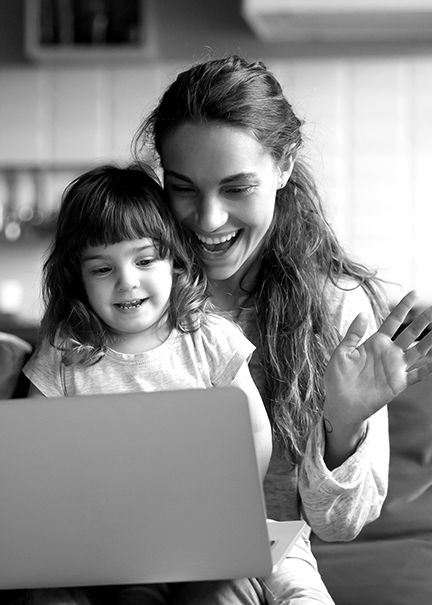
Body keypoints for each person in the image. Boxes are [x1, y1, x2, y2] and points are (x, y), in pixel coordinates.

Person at [129, 54, 432, 604]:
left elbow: (338, 524)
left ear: (284, 166)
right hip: (125, 560)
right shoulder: (126, 291)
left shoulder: (339, 310)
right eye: (183, 188)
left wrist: (343, 422)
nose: (209, 218)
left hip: (261, 564)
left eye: (237, 188)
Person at [19, 163, 272, 605]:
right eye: (101, 269)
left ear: (173, 261)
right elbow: (31, 455)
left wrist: (228, 498)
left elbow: (254, 431)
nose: (126, 281)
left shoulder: (209, 339)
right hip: (92, 551)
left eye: (144, 260)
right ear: (76, 277)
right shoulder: (63, 351)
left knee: (224, 593)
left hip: (199, 544)